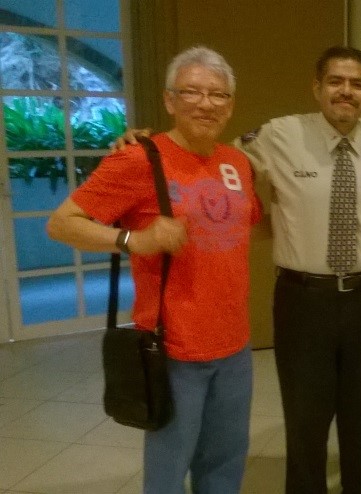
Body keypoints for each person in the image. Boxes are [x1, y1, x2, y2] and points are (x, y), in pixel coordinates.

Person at [47, 46, 261, 494]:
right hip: (174, 346)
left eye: (218, 95)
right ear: (169, 101)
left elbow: (245, 230)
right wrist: (134, 240)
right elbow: (62, 223)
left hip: (236, 346)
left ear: (232, 105)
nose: (206, 104)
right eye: (192, 92)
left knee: (225, 464)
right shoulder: (139, 158)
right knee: (167, 470)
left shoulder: (237, 163)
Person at [234, 46, 361, 493]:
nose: (346, 91)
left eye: (356, 84)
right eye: (336, 82)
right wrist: (153, 147)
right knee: (305, 412)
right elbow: (213, 161)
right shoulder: (278, 135)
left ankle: (359, 487)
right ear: (317, 88)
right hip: (304, 300)